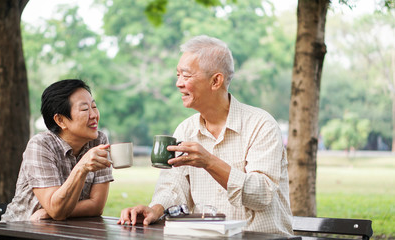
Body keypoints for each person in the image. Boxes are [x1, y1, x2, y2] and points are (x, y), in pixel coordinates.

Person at [118, 35, 293, 235]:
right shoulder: (185, 130)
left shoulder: (261, 125)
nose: (178, 83)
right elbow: (174, 188)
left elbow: (261, 194)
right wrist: (154, 209)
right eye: (177, 75)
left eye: (186, 75)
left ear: (216, 81)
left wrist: (209, 162)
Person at [1, 79, 113, 222]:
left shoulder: (99, 141)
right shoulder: (40, 145)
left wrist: (47, 214)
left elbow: (96, 206)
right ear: (60, 120)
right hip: (18, 231)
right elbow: (57, 210)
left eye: (94, 106)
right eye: (85, 109)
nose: (94, 115)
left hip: (64, 231)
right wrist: (81, 168)